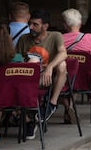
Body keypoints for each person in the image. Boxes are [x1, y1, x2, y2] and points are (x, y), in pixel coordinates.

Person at [16, 9, 67, 139]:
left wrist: (49, 67)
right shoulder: (24, 39)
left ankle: (52, 104)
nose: (30, 27)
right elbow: (17, 60)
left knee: (62, 65)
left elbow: (63, 53)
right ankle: (29, 121)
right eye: (30, 24)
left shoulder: (55, 35)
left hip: (48, 77)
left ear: (45, 26)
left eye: (35, 24)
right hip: (28, 78)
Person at [61, 8, 91, 123]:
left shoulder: (60, 39)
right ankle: (70, 109)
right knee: (77, 75)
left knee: (64, 78)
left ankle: (68, 107)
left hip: (65, 79)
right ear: (80, 23)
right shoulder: (90, 38)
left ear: (65, 25)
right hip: (85, 79)